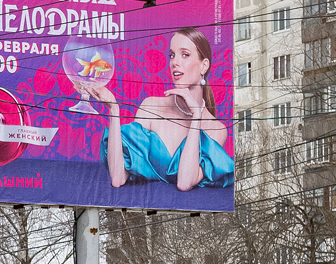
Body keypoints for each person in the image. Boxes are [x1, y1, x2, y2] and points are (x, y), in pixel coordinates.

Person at [87, 27, 235, 193]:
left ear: (204, 66)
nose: (175, 62)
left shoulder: (217, 129)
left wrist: (196, 116)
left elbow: (185, 183)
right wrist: (113, 109)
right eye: (172, 55)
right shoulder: (151, 106)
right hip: (141, 212)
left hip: (181, 217)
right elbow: (118, 178)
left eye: (185, 54)